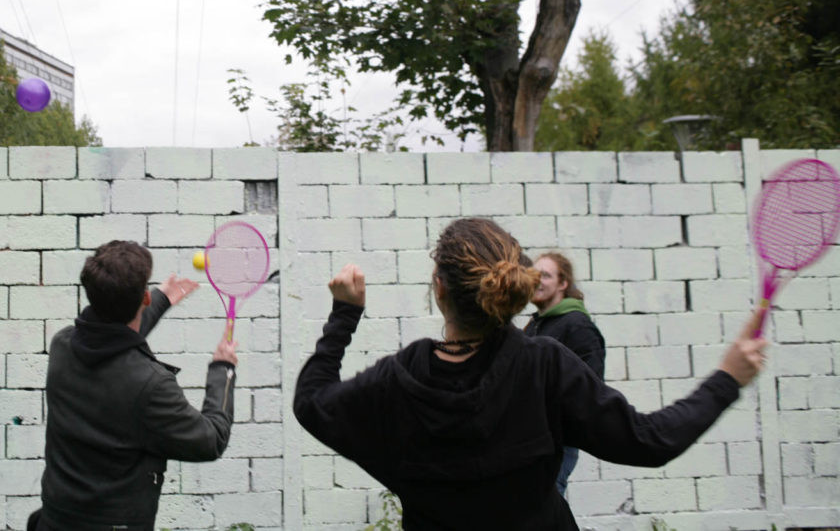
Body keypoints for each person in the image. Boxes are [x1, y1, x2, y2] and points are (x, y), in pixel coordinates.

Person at [294, 217, 767, 530]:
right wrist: (727, 378)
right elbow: (650, 441)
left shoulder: (396, 380)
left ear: (439, 289)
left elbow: (312, 403)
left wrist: (344, 315)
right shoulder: (544, 365)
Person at [29, 240, 239, 531]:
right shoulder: (150, 385)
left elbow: (111, 334)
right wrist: (223, 370)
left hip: (55, 520)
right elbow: (211, 439)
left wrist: (161, 298)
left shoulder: (62, 345)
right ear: (144, 298)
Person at [525, 250, 606, 496]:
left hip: (555, 445)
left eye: (546, 275)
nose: (538, 280)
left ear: (563, 283)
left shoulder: (577, 326)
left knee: (546, 511)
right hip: (531, 443)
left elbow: (590, 391)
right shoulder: (536, 324)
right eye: (534, 274)